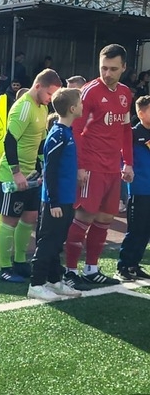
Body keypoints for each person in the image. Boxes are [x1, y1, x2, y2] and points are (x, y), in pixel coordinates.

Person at [63, 44, 134, 289]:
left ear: (124, 67)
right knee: (84, 216)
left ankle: (91, 269)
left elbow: (125, 130)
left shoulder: (125, 93)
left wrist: (128, 163)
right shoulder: (89, 91)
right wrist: (81, 166)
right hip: (92, 166)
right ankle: (70, 270)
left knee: (105, 218)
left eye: (113, 69)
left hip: (113, 167)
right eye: (104, 68)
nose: (107, 73)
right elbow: (76, 130)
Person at [0, 69, 62, 282]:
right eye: (50, 93)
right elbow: (9, 139)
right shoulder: (24, 107)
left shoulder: (42, 107)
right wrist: (16, 173)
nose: (51, 98)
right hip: (11, 176)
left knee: (30, 218)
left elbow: (41, 142)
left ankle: (20, 261)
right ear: (38, 86)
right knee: (10, 221)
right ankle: (4, 267)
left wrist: (42, 167)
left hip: (31, 175)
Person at [27, 88, 84, 300]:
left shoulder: (67, 132)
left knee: (57, 242)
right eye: (80, 102)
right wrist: (53, 202)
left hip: (66, 199)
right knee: (48, 242)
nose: (83, 105)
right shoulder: (58, 134)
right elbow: (49, 170)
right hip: (56, 201)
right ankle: (36, 284)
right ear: (72, 108)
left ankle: (53, 280)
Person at [115, 95, 150, 281]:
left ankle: (134, 264)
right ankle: (123, 265)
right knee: (136, 229)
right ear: (141, 113)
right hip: (139, 190)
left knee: (146, 231)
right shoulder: (132, 134)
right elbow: (122, 157)